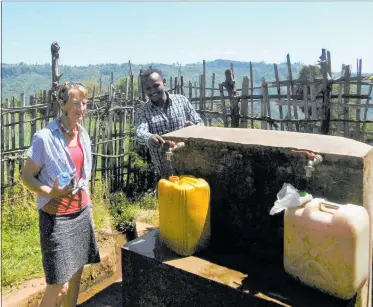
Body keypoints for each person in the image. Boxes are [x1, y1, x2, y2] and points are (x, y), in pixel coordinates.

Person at [21, 82, 100, 307]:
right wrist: (51, 191)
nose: (81, 108)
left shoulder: (83, 135)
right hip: (56, 219)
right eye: (76, 103)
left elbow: (83, 178)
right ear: (62, 104)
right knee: (58, 286)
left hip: (82, 214)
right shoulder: (44, 138)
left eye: (84, 103)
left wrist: (89, 206)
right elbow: (26, 177)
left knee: (76, 275)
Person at [135, 68, 204, 181]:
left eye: (156, 85)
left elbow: (199, 123)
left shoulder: (181, 101)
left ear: (164, 82)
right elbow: (140, 132)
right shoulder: (143, 111)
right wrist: (149, 138)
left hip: (188, 166)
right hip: (163, 171)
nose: (152, 91)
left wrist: (189, 133)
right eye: (148, 88)